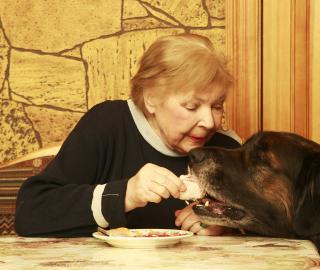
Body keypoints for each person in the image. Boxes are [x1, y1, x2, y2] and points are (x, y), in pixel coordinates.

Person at [14, 33, 241, 237]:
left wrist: (225, 221)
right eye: (192, 106)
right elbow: (31, 211)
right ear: (151, 97)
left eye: (217, 106)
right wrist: (124, 195)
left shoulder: (228, 148)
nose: (210, 122)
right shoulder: (107, 124)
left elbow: (270, 220)